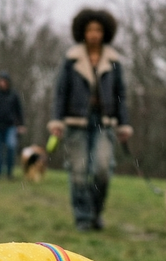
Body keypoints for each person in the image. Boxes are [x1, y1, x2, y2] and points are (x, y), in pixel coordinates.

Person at [48, 9, 133, 230]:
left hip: (104, 122)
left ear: (105, 32)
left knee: (102, 169)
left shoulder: (113, 60)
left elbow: (120, 95)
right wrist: (56, 121)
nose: (94, 34)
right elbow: (60, 92)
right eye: (90, 30)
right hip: (76, 122)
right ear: (83, 32)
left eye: (98, 29)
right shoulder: (71, 59)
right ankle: (83, 217)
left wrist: (123, 124)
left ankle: (96, 212)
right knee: (78, 170)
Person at [0, 71, 26, 178]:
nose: (2, 83)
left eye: (4, 81)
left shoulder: (14, 95)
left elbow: (19, 111)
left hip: (10, 126)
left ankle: (9, 172)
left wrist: (21, 124)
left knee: (11, 146)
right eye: (0, 81)